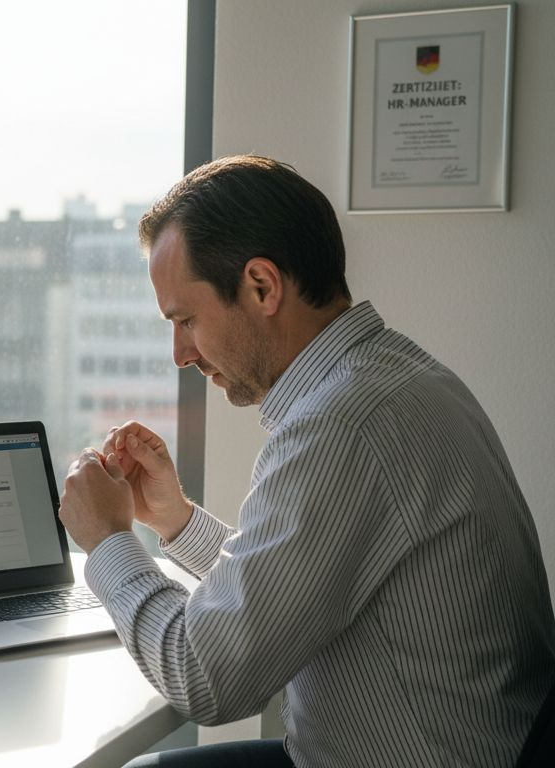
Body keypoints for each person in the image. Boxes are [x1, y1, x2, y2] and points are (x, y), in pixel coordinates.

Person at [58, 155, 555, 767]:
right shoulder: (399, 377)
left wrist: (107, 541)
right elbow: (302, 582)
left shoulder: (343, 425)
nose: (179, 354)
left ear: (262, 286)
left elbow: (205, 678)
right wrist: (177, 522)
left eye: (186, 320)